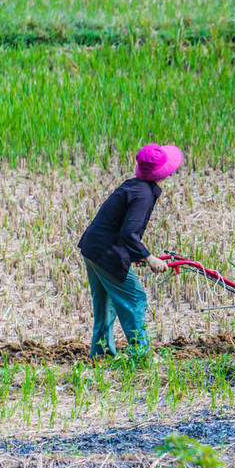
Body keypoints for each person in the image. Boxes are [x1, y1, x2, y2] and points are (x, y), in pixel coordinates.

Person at [78, 143, 183, 357]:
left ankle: (100, 354)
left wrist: (142, 255)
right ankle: (140, 355)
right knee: (135, 298)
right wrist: (148, 257)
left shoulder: (134, 186)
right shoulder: (144, 195)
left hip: (92, 247)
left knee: (106, 304)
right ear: (165, 172)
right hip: (107, 253)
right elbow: (129, 234)